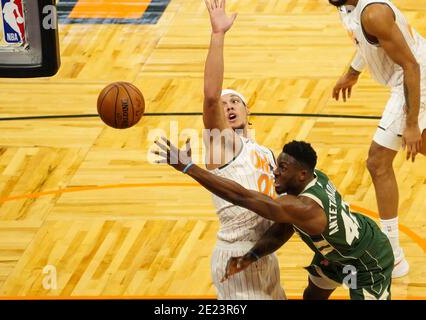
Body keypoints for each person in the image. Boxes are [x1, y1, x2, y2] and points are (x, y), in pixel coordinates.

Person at [153, 138, 394, 300]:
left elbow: (241, 196)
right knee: (312, 296)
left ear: (301, 174)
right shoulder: (311, 178)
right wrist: (253, 255)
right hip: (338, 252)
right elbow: (284, 228)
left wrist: (188, 168)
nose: (275, 172)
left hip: (368, 261)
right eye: (277, 165)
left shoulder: (302, 206)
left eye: (282, 168)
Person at [191, 0, 285, 299]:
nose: (228, 105)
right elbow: (209, 96)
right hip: (236, 255)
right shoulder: (223, 144)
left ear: (247, 111)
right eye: (224, 104)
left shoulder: (267, 154)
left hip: (264, 253)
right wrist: (218, 35)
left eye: (235, 102)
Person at [329, 0, 426, 278]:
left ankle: (393, 257)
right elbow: (367, 42)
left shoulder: (374, 13)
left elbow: (411, 66)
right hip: (410, 74)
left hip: (414, 77)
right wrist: (352, 72)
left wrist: (410, 123)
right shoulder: (345, 7)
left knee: (377, 161)